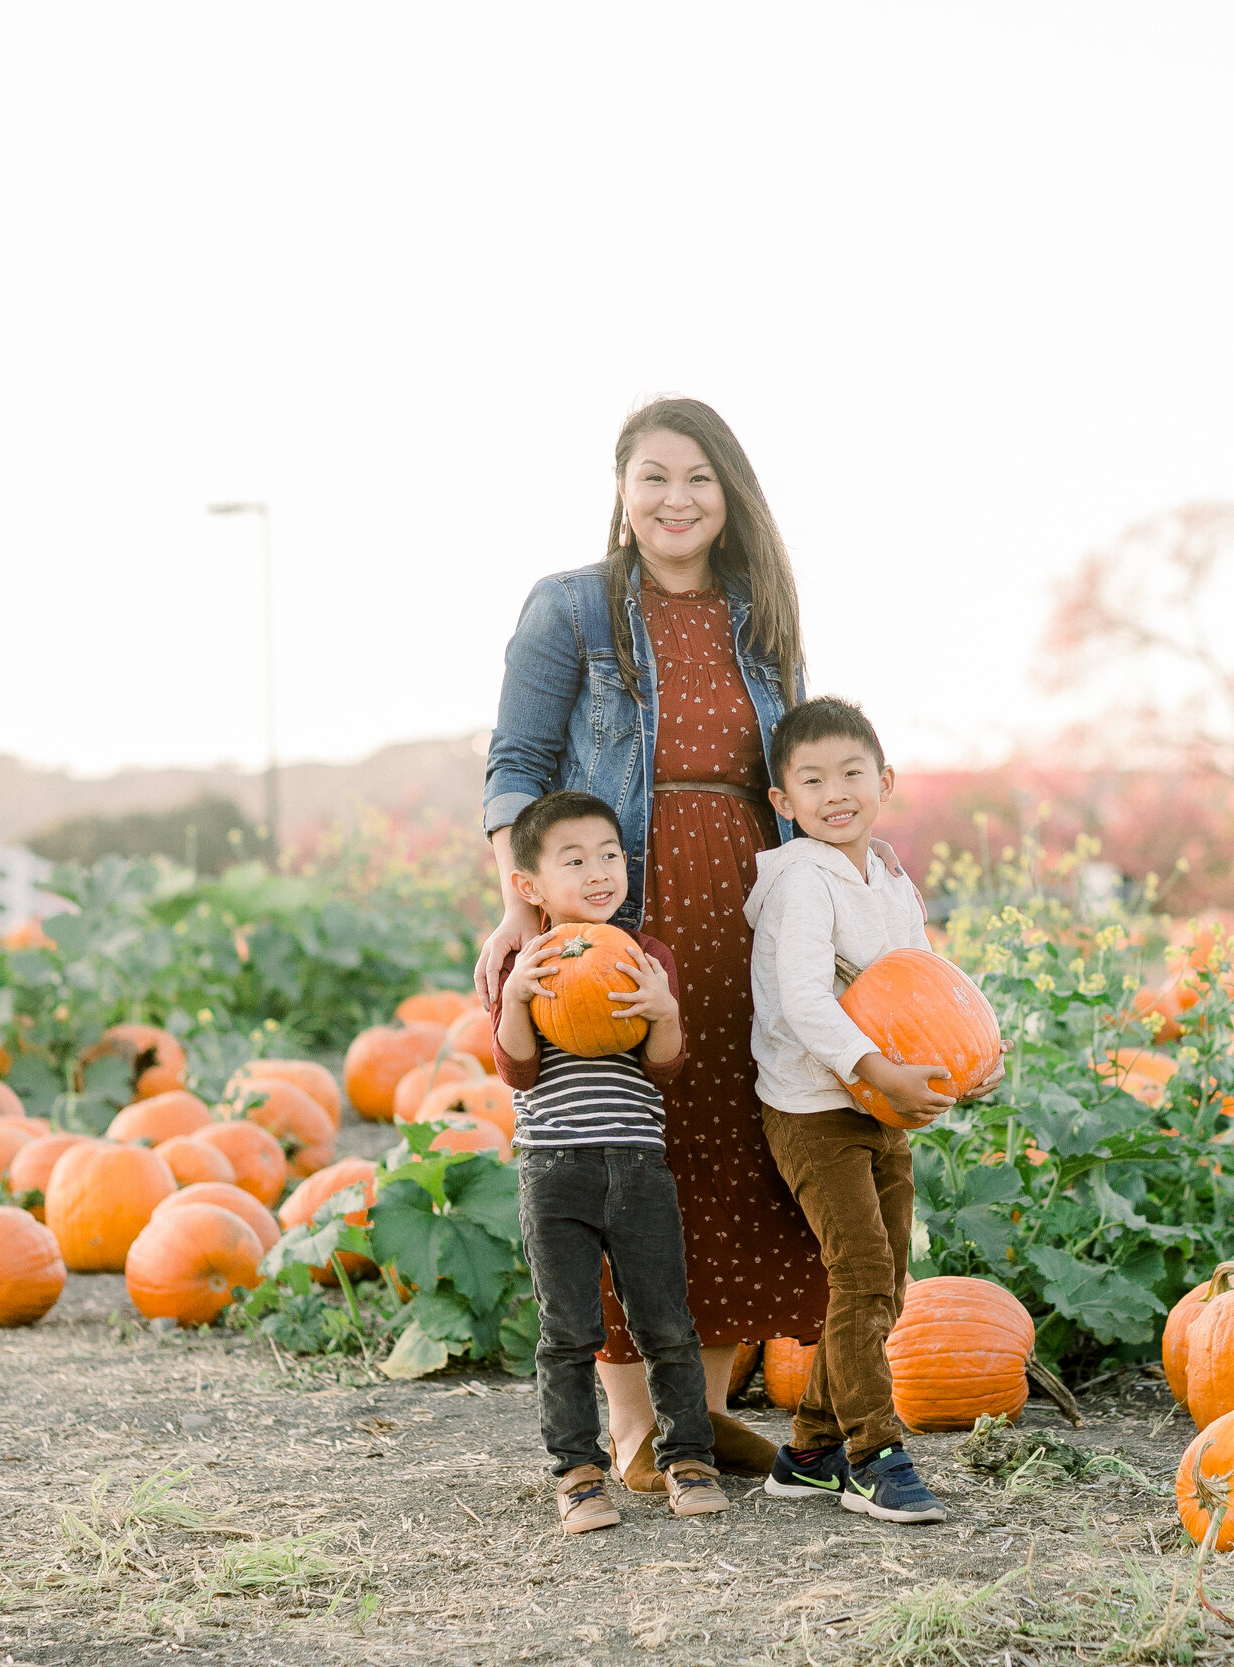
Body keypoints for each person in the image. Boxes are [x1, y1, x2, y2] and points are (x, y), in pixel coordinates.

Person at [478, 397, 829, 1491]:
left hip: (745, 901)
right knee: (633, 1154)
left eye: (700, 478)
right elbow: (516, 765)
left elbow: (800, 770)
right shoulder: (572, 606)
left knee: (732, 1151)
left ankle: (701, 1414)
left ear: (731, 496)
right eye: (654, 477)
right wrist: (522, 908)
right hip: (619, 905)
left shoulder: (758, 615)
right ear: (622, 492)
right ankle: (631, 1427)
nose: (676, 499)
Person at [745, 696, 976, 1525]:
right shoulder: (803, 881)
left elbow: (920, 981)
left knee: (890, 1285)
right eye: (811, 779)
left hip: (880, 1101)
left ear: (885, 780)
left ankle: (808, 1450)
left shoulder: (888, 874)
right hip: (814, 1106)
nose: (834, 791)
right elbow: (807, 1001)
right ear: (784, 802)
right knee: (861, 1272)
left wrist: (957, 1062)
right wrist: (878, 1067)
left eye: (851, 772)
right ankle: (873, 1455)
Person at [489, 789, 729, 1531]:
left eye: (609, 855)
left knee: (665, 1320)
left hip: (637, 1164)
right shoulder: (522, 961)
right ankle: (578, 1473)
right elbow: (516, 1072)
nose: (598, 872)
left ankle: (688, 1458)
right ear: (529, 884)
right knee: (566, 1328)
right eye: (575, 860)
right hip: (554, 1167)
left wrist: (665, 1011)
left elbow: (667, 1065)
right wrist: (520, 1002)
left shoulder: (646, 955)